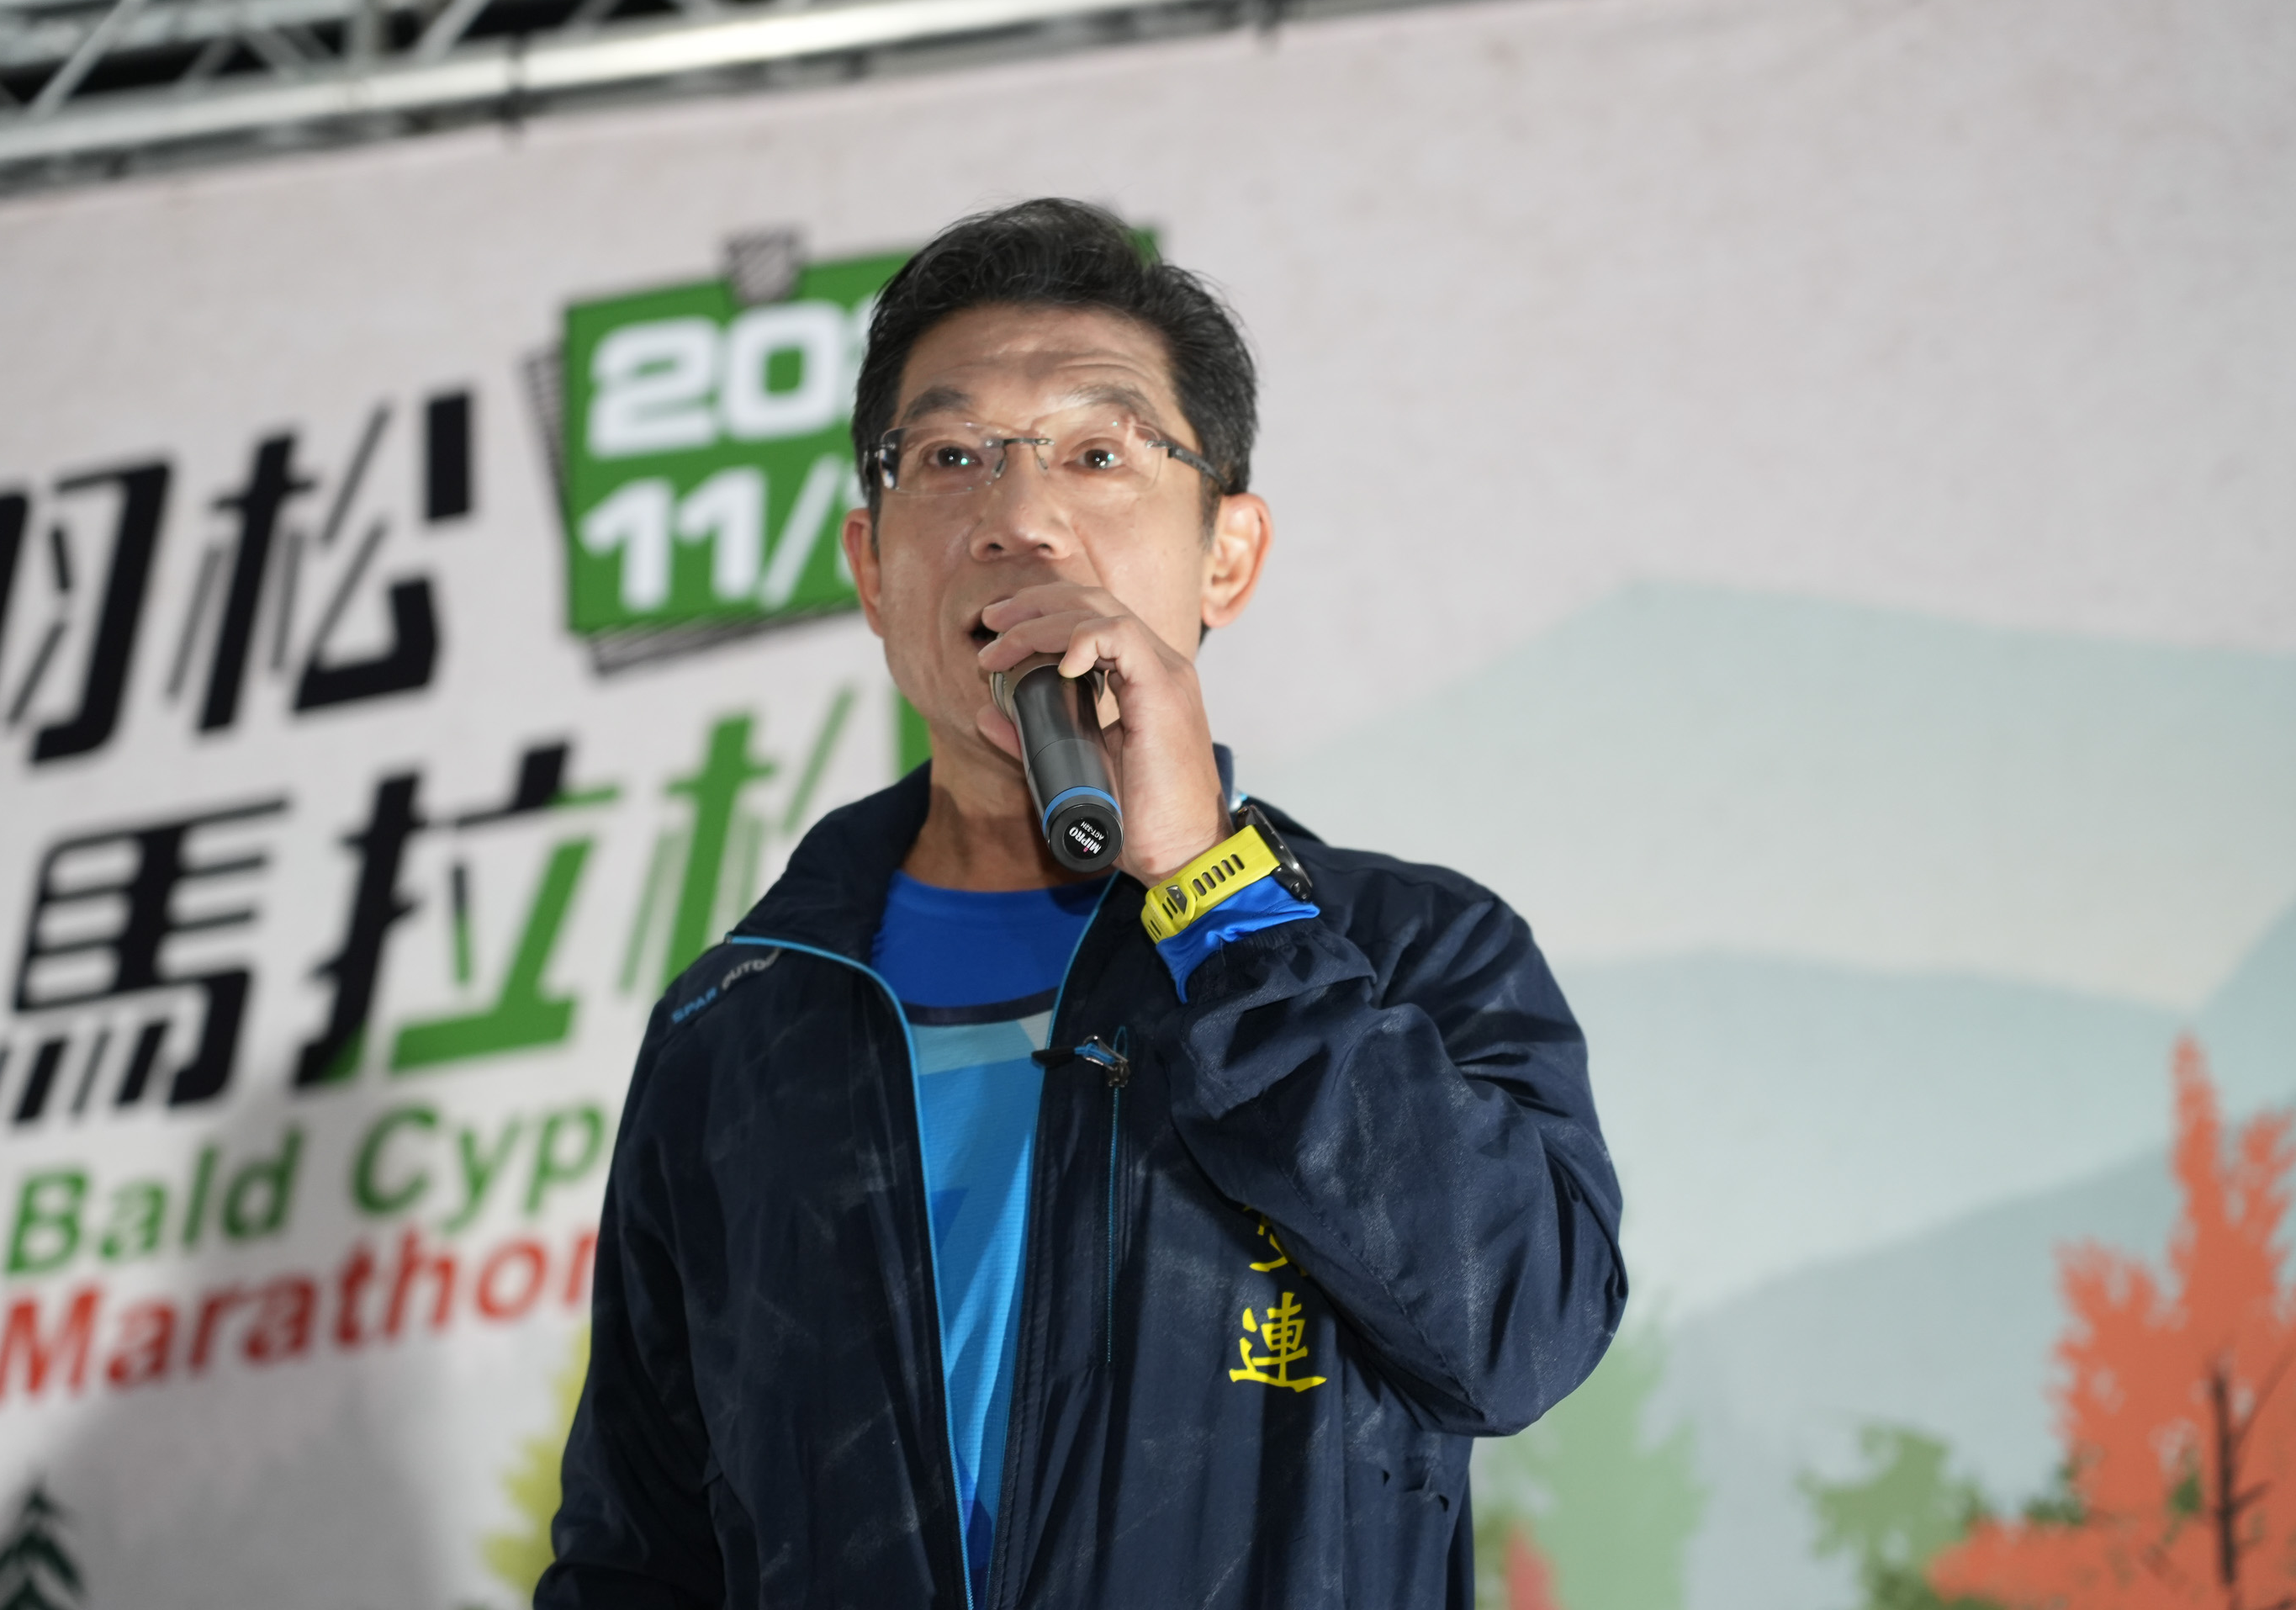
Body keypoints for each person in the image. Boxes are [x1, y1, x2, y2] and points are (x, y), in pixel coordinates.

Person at [540, 199, 1625, 1610]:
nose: (1020, 519)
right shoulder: (738, 1024)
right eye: (952, 459)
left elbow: (1517, 1334)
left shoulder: (1413, 951)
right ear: (871, 567)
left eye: (1098, 455)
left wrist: (1212, 895)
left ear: (1228, 553)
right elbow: (638, 1557)